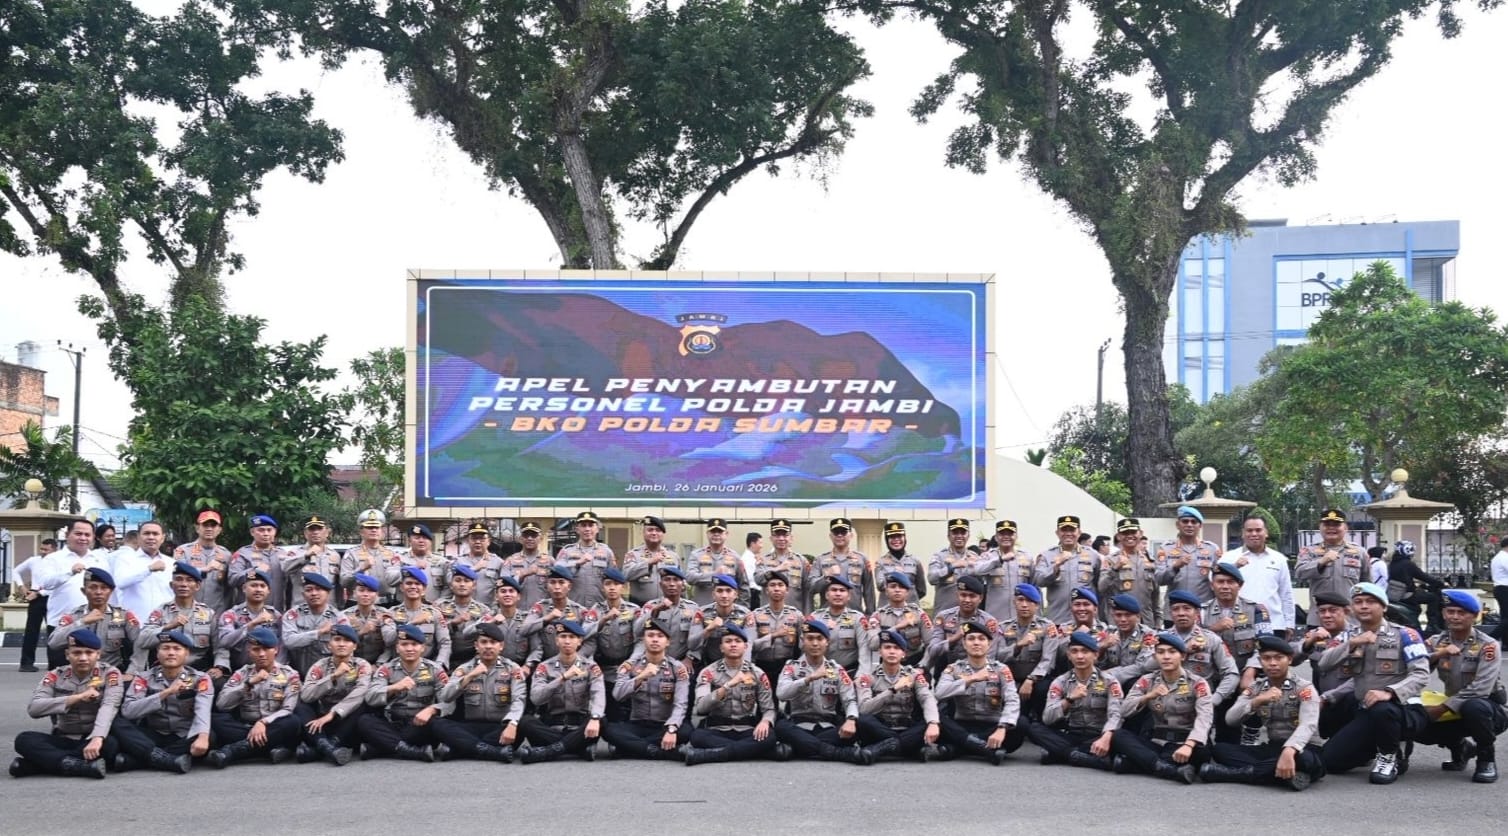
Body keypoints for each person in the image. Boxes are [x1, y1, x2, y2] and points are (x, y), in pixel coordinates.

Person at [1316, 582, 1430, 783]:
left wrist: (1389, 692)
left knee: (1382, 708)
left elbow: (1421, 674)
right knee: (1330, 761)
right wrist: (1352, 644)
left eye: (1370, 601)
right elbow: (1324, 664)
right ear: (1352, 608)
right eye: (1358, 602)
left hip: (1403, 709)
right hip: (1367, 709)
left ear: (1384, 606)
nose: (1364, 606)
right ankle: (1377, 746)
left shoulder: (1405, 635)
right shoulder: (1349, 635)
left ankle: (1390, 755)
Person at [1200, 634, 1326, 790]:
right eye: (1266, 658)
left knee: (1304, 760)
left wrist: (1290, 749)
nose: (1272, 663)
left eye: (1278, 658)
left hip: (1304, 748)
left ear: (1289, 660)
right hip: (1273, 748)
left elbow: (1308, 724)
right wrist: (1256, 701)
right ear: (1260, 662)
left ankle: (1234, 774)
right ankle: (1282, 775)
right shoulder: (1257, 688)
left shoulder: (1304, 688)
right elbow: (1230, 719)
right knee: (1220, 750)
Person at [1416, 590, 1505, 783]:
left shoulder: (1488, 646)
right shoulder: (1436, 642)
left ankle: (1486, 759)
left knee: (1474, 707)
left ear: (1475, 616)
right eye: (1450, 611)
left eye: (1461, 612)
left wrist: (1441, 708)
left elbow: (1481, 689)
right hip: (1454, 705)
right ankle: (1461, 748)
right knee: (1414, 717)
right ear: (1443, 613)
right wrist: (1438, 655)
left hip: (1489, 709)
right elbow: (1415, 669)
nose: (1455, 617)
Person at [11, 630, 121, 779]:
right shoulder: (55, 675)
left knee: (111, 745)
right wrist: (77, 698)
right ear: (67, 655)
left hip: (92, 738)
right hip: (64, 737)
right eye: (77, 653)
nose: (83, 658)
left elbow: (109, 706)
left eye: (89, 653)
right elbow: (34, 708)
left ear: (98, 654)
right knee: (24, 740)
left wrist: (97, 738)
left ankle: (34, 765)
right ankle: (78, 765)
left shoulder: (110, 673)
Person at [1111, 632, 1212, 784]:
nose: (1166, 657)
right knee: (1119, 736)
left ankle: (1137, 764)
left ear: (1183, 656)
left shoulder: (1197, 683)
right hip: (1157, 742)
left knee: (1203, 752)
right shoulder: (1147, 680)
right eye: (1160, 652)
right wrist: (1148, 696)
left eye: (1172, 652)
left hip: (1186, 743)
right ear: (1155, 657)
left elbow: (1205, 718)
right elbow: (1124, 711)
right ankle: (1166, 768)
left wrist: (1188, 745)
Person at [112, 629, 212, 773]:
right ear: (158, 653)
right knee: (117, 723)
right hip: (154, 733)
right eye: (165, 648)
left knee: (209, 735)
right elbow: (129, 711)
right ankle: (167, 759)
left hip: (184, 734)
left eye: (177, 649)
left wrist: (203, 736)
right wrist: (166, 693)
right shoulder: (143, 678)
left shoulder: (200, 678)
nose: (171, 653)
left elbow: (203, 709)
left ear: (186, 654)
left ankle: (141, 760)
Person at [430, 622, 528, 762]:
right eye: (484, 642)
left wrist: (512, 723)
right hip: (471, 726)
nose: (488, 646)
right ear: (476, 646)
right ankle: (491, 751)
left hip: (500, 727)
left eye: (493, 642)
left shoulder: (513, 669)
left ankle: (463, 749)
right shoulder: (465, 669)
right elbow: (445, 696)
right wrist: (469, 677)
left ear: (501, 646)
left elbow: (519, 699)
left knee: (522, 726)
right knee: (437, 724)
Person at [774, 619, 868, 764]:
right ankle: (837, 753)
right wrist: (808, 679)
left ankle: (802, 749)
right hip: (799, 726)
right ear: (802, 641)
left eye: (819, 638)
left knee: (857, 727)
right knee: (781, 727)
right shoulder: (792, 667)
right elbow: (781, 694)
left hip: (827, 728)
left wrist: (851, 720)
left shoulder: (836, 669)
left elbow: (849, 700)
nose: (815, 643)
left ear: (827, 642)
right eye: (810, 638)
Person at [207, 627, 302, 767]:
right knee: (215, 718)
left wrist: (263, 723)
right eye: (256, 650)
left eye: (266, 649)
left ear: (276, 650)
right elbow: (222, 704)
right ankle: (267, 749)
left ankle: (232, 751)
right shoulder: (242, 673)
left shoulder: (290, 674)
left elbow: (288, 709)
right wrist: (248, 684)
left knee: (293, 722)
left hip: (273, 726)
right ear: (249, 652)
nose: (262, 654)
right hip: (245, 728)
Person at [1028, 631, 1123, 770]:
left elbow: (1116, 714)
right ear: (1069, 655)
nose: (1079, 656)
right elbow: (1048, 718)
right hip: (1071, 734)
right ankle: (1078, 756)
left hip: (1098, 735)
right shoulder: (1060, 682)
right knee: (1034, 728)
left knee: (1121, 738)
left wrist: (1106, 737)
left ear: (1095, 655)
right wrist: (1069, 699)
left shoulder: (1109, 681)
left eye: (1085, 651)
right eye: (1074, 651)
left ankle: (1060, 753)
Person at [684, 626, 778, 765]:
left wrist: (765, 722)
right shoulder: (708, 672)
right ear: (721, 648)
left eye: (737, 641)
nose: (733, 644)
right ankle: (756, 751)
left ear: (745, 647)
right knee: (697, 736)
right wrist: (727, 686)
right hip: (717, 729)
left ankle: (712, 754)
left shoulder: (757, 673)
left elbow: (768, 709)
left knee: (770, 736)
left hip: (746, 728)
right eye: (728, 641)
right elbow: (701, 708)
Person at [359, 623, 452, 762]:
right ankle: (411, 751)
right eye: (404, 644)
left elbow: (448, 701)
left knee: (436, 724)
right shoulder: (386, 669)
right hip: (392, 723)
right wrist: (394, 688)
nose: (409, 648)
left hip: (419, 724)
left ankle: (380, 749)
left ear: (423, 648)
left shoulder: (435, 669)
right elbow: (370, 698)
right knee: (365, 721)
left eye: (414, 644)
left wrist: (431, 710)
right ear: (397, 648)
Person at [601, 619, 690, 760]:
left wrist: (671, 729)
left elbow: (681, 703)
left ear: (668, 642)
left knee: (686, 731)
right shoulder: (630, 665)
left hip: (664, 725)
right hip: (638, 724)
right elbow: (617, 695)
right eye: (650, 635)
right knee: (608, 730)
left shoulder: (677, 668)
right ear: (643, 640)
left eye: (660, 636)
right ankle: (659, 752)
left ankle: (629, 748)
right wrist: (641, 677)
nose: (655, 639)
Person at [934, 621, 1021, 764]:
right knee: (935, 717)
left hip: (992, 726)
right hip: (961, 724)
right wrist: (971, 679)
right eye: (971, 638)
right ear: (964, 643)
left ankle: (959, 747)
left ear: (989, 644)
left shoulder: (1001, 669)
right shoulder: (953, 668)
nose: (976, 643)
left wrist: (1002, 727)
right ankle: (985, 749)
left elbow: (1012, 699)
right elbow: (939, 693)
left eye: (981, 639)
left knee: (1022, 724)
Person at [519, 620, 605, 763]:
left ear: (579, 641)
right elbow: (536, 698)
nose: (567, 641)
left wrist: (595, 718)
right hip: (552, 726)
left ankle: (548, 751)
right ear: (556, 641)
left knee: (602, 720)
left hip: (580, 727)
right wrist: (562, 678)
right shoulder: (544, 667)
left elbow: (599, 695)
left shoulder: (590, 667)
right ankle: (578, 749)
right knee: (526, 721)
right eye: (563, 636)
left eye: (572, 637)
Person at [854, 628, 941, 762]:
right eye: (887, 647)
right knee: (862, 720)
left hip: (907, 728)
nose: (892, 651)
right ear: (880, 652)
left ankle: (884, 748)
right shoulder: (868, 677)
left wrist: (933, 723)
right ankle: (909, 749)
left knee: (935, 718)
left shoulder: (913, 675)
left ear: (903, 654)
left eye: (896, 648)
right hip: (880, 729)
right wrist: (893, 690)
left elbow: (927, 698)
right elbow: (864, 709)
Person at [34, 519, 111, 668]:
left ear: (93, 537)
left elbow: (108, 589)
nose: (83, 538)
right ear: (67, 534)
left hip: (94, 623)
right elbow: (44, 582)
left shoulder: (100, 560)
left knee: (95, 672)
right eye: (78, 534)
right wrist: (69, 572)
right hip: (62, 623)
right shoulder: (53, 558)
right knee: (61, 672)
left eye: (87, 535)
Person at [294, 623, 370, 765]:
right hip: (322, 721)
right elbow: (306, 695)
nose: (341, 644)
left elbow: (360, 692)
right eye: (337, 640)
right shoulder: (319, 666)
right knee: (301, 707)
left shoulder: (362, 665)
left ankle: (325, 747)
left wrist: (333, 713)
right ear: (329, 645)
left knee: (364, 703)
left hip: (347, 721)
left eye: (347, 641)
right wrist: (333, 676)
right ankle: (326, 746)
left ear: (354, 646)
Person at [48, 567, 141, 673]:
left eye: (104, 588)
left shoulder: (123, 616)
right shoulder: (73, 616)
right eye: (93, 587)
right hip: (79, 674)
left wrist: (132, 671)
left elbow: (141, 644)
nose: (98, 592)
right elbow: (53, 643)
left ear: (111, 591)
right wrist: (82, 622)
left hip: (112, 673)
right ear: (84, 591)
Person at [1293, 591, 1359, 739]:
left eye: (1333, 610)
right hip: (1324, 702)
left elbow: (1362, 678)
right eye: (1322, 611)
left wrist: (1328, 697)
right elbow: (1291, 660)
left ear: (1346, 612)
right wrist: (1309, 643)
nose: (1327, 615)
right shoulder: (1315, 634)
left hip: (1348, 701)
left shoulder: (1358, 636)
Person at [135, 562, 218, 676]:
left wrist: (219, 666)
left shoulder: (208, 614)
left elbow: (219, 647)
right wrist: (168, 627)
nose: (183, 584)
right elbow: (142, 640)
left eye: (189, 580)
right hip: (165, 671)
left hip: (199, 671)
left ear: (198, 586)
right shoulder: (161, 611)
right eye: (179, 579)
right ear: (171, 585)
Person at [1294, 509, 1371, 627]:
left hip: (1350, 620)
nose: (1331, 528)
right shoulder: (1310, 551)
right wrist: (1321, 562)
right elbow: (1299, 573)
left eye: (1336, 524)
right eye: (1326, 524)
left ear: (1345, 528)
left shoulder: (1359, 552)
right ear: (1320, 527)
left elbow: (1367, 585)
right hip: (1319, 620)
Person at [1224, 516, 1294, 636]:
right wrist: (1234, 567)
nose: (1254, 534)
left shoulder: (1279, 559)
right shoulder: (1229, 557)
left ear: (1266, 532)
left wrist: (1289, 624)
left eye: (1258, 530)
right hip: (1239, 623)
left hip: (1274, 624)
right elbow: (1214, 580)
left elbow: (1286, 593)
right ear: (1243, 533)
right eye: (1249, 530)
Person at [591, 567, 642, 719]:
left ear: (623, 587)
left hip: (628, 669)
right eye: (608, 584)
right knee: (606, 712)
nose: (612, 588)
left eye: (616, 584)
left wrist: (631, 662)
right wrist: (604, 619)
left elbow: (640, 641)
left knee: (626, 714)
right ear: (602, 587)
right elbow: (584, 633)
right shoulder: (596, 610)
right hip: (604, 669)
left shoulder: (634, 610)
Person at [524, 565, 599, 667]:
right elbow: (524, 629)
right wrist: (547, 618)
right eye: (552, 582)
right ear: (547, 586)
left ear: (569, 586)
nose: (557, 587)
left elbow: (591, 641)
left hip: (575, 665)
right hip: (546, 664)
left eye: (561, 582)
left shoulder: (580, 611)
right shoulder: (540, 608)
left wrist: (575, 658)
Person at [1034, 515, 1102, 624]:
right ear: (1057, 533)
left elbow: (1100, 585)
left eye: (1072, 530)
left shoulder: (1093, 555)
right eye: (1064, 530)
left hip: (1086, 620)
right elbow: (1039, 581)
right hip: (1058, 618)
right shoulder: (1047, 555)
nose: (1068, 533)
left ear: (1079, 532)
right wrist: (1055, 567)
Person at [928, 574, 1001, 673]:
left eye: (972, 596)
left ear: (980, 598)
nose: (967, 600)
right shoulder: (943, 617)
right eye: (963, 595)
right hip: (946, 669)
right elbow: (932, 651)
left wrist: (969, 676)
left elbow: (990, 656)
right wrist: (953, 640)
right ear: (957, 595)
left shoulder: (989, 622)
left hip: (978, 671)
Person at [281, 572, 349, 677]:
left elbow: (346, 649)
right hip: (296, 674)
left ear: (328, 593)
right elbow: (289, 641)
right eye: (309, 590)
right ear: (303, 594)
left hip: (327, 675)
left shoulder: (338, 618)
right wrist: (319, 633)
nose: (314, 593)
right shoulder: (293, 615)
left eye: (318, 589)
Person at [215, 569, 282, 673]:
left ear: (268, 590)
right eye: (254, 585)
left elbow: (282, 645)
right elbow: (224, 641)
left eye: (262, 586)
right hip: (239, 671)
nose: (258, 589)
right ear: (244, 588)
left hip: (270, 671)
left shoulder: (276, 616)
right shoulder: (231, 614)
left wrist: (277, 669)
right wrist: (251, 624)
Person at [1097, 518, 1159, 628]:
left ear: (1140, 533)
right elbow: (1101, 587)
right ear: (1118, 536)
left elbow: (1155, 596)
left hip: (1146, 621)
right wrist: (1115, 569)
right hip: (1121, 621)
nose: (1130, 536)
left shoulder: (1150, 561)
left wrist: (1158, 621)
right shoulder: (1110, 560)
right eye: (1125, 533)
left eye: (1133, 532)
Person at [110, 520, 174, 627]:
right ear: (139, 538)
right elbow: (120, 582)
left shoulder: (171, 563)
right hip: (134, 624)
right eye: (146, 533)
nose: (151, 537)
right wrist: (148, 570)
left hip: (164, 625)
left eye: (155, 534)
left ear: (162, 538)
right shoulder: (126, 559)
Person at [1155, 505, 1222, 604]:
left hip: (1202, 607)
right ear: (1177, 525)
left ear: (1200, 526)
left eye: (1194, 522)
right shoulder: (1166, 549)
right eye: (1185, 521)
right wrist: (1174, 567)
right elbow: (1159, 580)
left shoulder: (1212, 549)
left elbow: (1221, 576)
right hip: (1175, 608)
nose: (1189, 525)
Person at [865, 573, 932, 672]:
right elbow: (873, 644)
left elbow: (931, 644)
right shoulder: (878, 616)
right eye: (893, 586)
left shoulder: (918, 614)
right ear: (886, 591)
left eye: (901, 587)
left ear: (907, 592)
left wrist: (922, 666)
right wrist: (897, 627)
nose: (897, 590)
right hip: (887, 667)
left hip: (914, 663)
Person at [638, 565, 703, 666]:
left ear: (683, 585)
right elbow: (637, 632)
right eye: (667, 580)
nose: (672, 584)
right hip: (653, 662)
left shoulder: (693, 608)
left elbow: (698, 639)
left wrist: (689, 658)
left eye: (676, 580)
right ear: (660, 584)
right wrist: (654, 612)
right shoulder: (650, 606)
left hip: (682, 662)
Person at [172, 510, 233, 615]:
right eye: (205, 525)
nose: (209, 528)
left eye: (213, 525)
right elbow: (178, 576)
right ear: (197, 528)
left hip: (216, 612)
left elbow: (230, 587)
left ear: (219, 530)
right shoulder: (183, 551)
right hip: (187, 612)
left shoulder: (226, 555)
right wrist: (204, 569)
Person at [388, 566, 451, 667]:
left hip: (429, 667)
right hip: (398, 667)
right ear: (401, 587)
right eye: (409, 583)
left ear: (424, 589)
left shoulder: (435, 614)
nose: (413, 587)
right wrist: (411, 623)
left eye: (417, 584)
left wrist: (439, 665)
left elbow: (445, 643)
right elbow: (388, 641)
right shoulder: (391, 613)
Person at [809, 518, 874, 614]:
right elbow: (811, 588)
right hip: (827, 616)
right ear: (831, 536)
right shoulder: (820, 560)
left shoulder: (861, 559)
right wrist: (826, 576)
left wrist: (870, 614)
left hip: (854, 615)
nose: (839, 535)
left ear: (851, 535)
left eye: (843, 532)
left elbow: (869, 591)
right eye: (836, 532)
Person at [750, 571, 804, 686]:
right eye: (772, 585)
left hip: (787, 666)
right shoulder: (756, 615)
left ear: (787, 590)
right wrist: (774, 635)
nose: (776, 588)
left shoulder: (796, 615)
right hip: (762, 666)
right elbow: (751, 646)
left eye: (780, 585)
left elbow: (803, 645)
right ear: (766, 590)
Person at [557, 511, 616, 609]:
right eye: (583, 525)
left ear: (597, 528)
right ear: (577, 529)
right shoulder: (567, 551)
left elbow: (613, 580)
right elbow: (557, 571)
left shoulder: (606, 552)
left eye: (591, 525)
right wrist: (577, 563)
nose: (587, 529)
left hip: (599, 607)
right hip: (573, 607)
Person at [340, 510, 402, 602]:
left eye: (377, 527)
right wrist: (361, 569)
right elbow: (344, 582)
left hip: (387, 603)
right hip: (359, 603)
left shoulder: (391, 554)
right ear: (361, 531)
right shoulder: (352, 553)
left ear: (381, 531)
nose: (374, 530)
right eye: (369, 527)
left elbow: (397, 581)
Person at [15, 538, 57, 673]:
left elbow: (59, 583)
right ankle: (26, 663)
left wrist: (39, 593)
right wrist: (22, 587)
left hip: (52, 597)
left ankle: (54, 663)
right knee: (31, 631)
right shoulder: (34, 561)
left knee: (54, 631)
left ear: (54, 549)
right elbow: (16, 571)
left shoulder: (58, 562)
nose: (43, 552)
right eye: (41, 549)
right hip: (35, 598)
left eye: (46, 549)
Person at [230, 514, 289, 610]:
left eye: (269, 530)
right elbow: (232, 579)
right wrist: (254, 572)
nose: (265, 534)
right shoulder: (243, 554)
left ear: (275, 532)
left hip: (277, 611)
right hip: (249, 612)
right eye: (261, 530)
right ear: (252, 532)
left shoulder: (282, 554)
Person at [809, 575, 866, 675]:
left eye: (842, 590)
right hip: (820, 672)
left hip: (849, 672)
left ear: (849, 596)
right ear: (827, 595)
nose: (838, 594)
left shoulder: (857, 618)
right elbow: (804, 647)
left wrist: (861, 675)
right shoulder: (815, 618)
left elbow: (864, 650)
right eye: (834, 590)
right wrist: (824, 630)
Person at [282, 515, 344, 606]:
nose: (315, 532)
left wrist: (339, 606)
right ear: (305, 533)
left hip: (328, 608)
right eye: (311, 529)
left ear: (327, 532)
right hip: (303, 608)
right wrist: (305, 556)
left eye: (319, 529)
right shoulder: (295, 553)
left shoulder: (334, 555)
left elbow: (339, 585)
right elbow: (284, 568)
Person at [975, 520, 1032, 617]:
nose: (1006, 537)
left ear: (1016, 536)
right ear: (996, 537)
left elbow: (1034, 585)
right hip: (996, 615)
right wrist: (999, 560)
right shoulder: (988, 556)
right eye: (1002, 534)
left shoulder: (1026, 556)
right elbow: (977, 570)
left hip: (1020, 615)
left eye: (1010, 534)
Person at [928, 518, 984, 616]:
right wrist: (952, 567)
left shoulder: (975, 557)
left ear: (968, 536)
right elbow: (932, 578)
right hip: (944, 615)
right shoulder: (939, 556)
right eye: (955, 533)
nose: (959, 536)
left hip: (969, 615)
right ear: (948, 536)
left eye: (963, 533)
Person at [687, 518, 747, 607]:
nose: (716, 534)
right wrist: (714, 574)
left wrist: (742, 608)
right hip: (702, 607)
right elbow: (690, 577)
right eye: (713, 531)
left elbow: (743, 586)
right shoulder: (696, 555)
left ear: (726, 534)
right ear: (707, 534)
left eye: (720, 531)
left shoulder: (735, 557)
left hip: (727, 610)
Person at [1100, 594, 1156, 688]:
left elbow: (1142, 666)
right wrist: (1102, 647)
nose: (1123, 619)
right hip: (1107, 682)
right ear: (1113, 616)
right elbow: (1096, 662)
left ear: (1138, 616)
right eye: (1118, 615)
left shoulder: (1148, 635)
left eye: (1128, 615)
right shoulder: (1108, 633)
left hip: (1135, 682)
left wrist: (1112, 674)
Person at [756, 519, 810, 615]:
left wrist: (807, 614)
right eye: (777, 535)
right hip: (768, 616)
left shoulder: (801, 561)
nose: (781, 539)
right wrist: (777, 570)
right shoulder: (763, 560)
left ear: (791, 538)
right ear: (771, 538)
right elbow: (758, 580)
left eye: (785, 535)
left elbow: (807, 591)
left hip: (794, 616)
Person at [1387, 540, 1444, 632]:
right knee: (1433, 598)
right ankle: (1433, 625)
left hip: (1396, 595)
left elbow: (1406, 577)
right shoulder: (1408, 563)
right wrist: (1439, 583)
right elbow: (1423, 576)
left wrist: (1422, 585)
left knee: (1422, 593)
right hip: (1407, 595)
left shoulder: (1393, 563)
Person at [623, 516, 679, 606]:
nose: (654, 533)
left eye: (658, 530)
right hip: (640, 605)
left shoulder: (673, 556)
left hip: (667, 605)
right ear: (643, 533)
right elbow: (626, 575)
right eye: (650, 530)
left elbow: (680, 582)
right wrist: (649, 563)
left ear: (663, 534)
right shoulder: (633, 554)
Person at [341, 573, 395, 664]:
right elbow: (342, 645)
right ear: (354, 594)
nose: (365, 594)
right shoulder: (344, 616)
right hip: (352, 663)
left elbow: (390, 644)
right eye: (361, 590)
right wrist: (361, 632)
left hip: (380, 663)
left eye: (370, 591)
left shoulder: (384, 615)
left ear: (377, 595)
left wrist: (379, 664)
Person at [873, 522, 927, 606]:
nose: (896, 540)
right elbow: (880, 586)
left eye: (899, 536)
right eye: (892, 537)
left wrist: (908, 598)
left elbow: (921, 590)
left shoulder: (915, 561)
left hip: (910, 609)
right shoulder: (880, 562)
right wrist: (894, 574)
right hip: (887, 610)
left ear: (904, 538)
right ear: (887, 540)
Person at [485, 576, 533, 669]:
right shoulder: (490, 616)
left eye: (511, 591)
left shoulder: (527, 618)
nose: (507, 594)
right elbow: (468, 633)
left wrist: (528, 666)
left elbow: (536, 648)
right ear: (496, 597)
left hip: (522, 666)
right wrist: (490, 622)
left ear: (518, 596)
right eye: (503, 591)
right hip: (495, 667)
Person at [502, 521, 553, 607]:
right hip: (517, 610)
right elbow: (503, 586)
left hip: (542, 611)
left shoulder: (550, 561)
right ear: (520, 539)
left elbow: (555, 587)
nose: (529, 538)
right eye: (526, 535)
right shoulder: (510, 561)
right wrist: (522, 574)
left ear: (540, 539)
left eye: (534, 535)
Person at [401, 523, 450, 603]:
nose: (421, 541)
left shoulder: (442, 562)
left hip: (434, 606)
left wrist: (440, 601)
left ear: (430, 541)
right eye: (417, 538)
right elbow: (392, 579)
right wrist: (412, 568)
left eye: (425, 538)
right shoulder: (401, 559)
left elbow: (449, 586)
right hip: (407, 607)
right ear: (409, 541)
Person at [740, 531, 764, 608]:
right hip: (752, 594)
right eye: (760, 543)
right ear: (753, 544)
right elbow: (750, 579)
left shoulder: (753, 558)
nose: (762, 546)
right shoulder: (746, 559)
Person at [1492, 540, 1508, 643]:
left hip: (1500, 588)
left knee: (1505, 617)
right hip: (1504, 589)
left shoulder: (1498, 557)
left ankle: (1505, 642)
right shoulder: (1504, 557)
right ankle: (1490, 637)